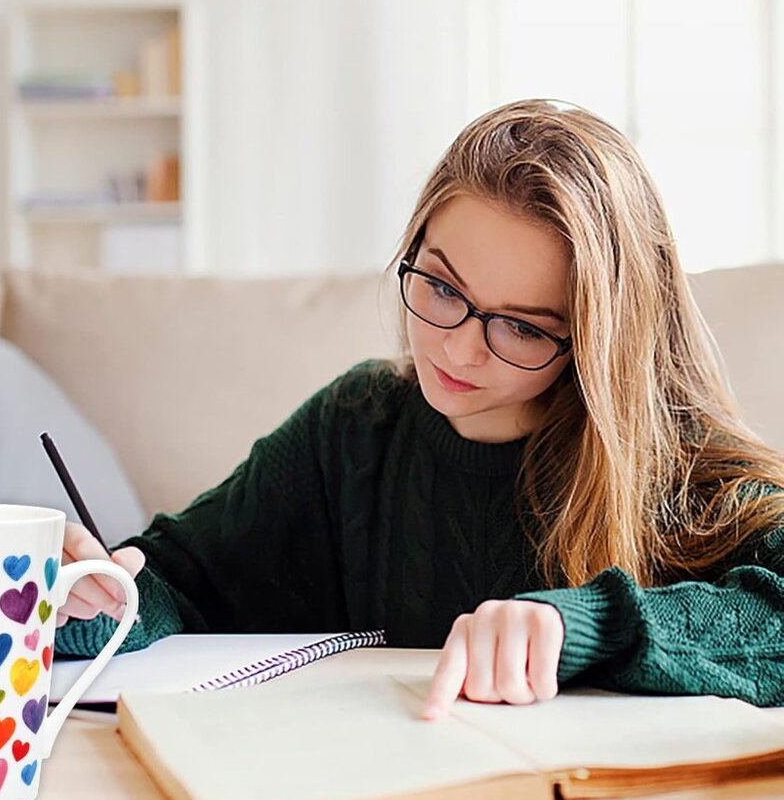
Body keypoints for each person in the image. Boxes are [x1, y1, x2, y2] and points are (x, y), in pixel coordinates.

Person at [53, 98, 784, 714]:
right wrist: (88, 600)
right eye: (440, 287)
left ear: (598, 341)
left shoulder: (674, 468)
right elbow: (178, 580)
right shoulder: (355, 428)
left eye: (523, 328)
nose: (459, 351)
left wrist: (592, 628)